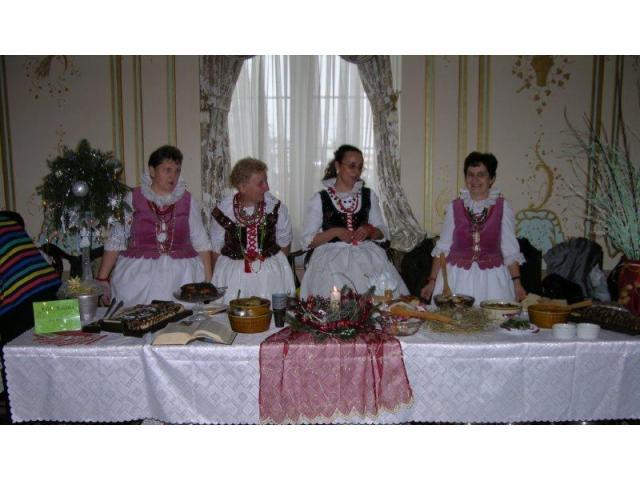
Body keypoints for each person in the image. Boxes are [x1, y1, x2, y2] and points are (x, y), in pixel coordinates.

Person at [96, 145, 212, 307]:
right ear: (152, 171)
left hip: (182, 276)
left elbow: (201, 241)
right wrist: (102, 279)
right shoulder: (132, 198)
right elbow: (116, 239)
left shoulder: (188, 201)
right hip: (139, 277)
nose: (173, 176)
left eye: (177, 170)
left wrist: (208, 281)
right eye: (167, 170)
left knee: (182, 319)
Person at [300, 144, 408, 299]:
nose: (356, 172)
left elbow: (383, 232)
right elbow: (308, 241)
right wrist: (335, 232)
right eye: (351, 166)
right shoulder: (320, 199)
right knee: (336, 302)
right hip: (331, 261)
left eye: (360, 167)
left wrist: (370, 230)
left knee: (378, 300)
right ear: (338, 166)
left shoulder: (368, 195)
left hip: (367, 258)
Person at [421, 152, 527, 305]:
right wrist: (432, 282)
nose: (475, 180)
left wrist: (517, 283)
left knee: (493, 318)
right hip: (457, 279)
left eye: (481, 175)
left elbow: (510, 250)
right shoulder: (454, 207)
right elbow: (442, 249)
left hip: (493, 281)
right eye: (470, 175)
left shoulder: (503, 208)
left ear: (491, 179)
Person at [210, 157, 295, 304]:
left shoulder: (276, 208)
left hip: (269, 275)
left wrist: (275, 268)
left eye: (266, 181)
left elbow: (284, 243)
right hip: (233, 276)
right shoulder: (223, 210)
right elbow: (216, 248)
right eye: (260, 183)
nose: (267, 187)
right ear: (243, 187)